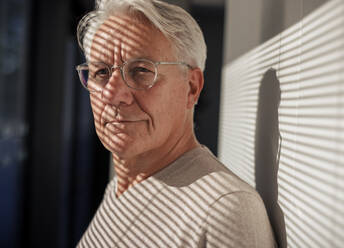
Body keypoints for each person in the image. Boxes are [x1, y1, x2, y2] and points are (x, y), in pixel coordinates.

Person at [75, 0, 276, 247]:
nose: (111, 95)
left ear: (191, 87)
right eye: (101, 73)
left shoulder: (224, 210)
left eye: (140, 70)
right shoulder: (119, 187)